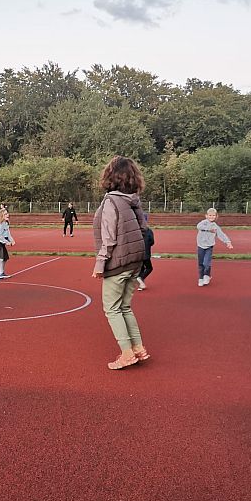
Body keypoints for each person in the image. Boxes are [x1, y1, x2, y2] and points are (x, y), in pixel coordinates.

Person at [92, 155, 149, 370]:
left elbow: (108, 238)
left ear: (110, 176)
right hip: (135, 262)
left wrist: (100, 265)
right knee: (124, 306)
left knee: (112, 309)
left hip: (118, 263)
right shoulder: (133, 201)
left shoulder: (111, 202)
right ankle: (137, 347)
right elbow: (144, 230)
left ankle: (126, 354)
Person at [196, 208, 233, 286]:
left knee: (206, 263)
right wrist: (209, 229)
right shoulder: (203, 223)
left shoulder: (215, 227)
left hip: (209, 246)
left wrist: (228, 242)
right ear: (206, 216)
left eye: (213, 215)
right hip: (200, 246)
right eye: (210, 215)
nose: (211, 217)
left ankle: (207, 276)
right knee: (200, 263)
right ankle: (201, 278)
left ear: (216, 216)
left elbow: (221, 235)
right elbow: (198, 226)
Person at [0, 209, 15, 279]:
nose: (8, 215)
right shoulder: (0, 225)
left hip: (2, 243)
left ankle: (2, 272)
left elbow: (8, 234)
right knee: (0, 258)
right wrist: (7, 242)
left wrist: (12, 240)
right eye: (6, 214)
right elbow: (0, 236)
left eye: (7, 213)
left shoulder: (6, 223)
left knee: (5, 258)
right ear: (2, 216)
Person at [137, 213, 154, 290]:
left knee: (141, 269)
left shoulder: (136, 230)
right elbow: (152, 242)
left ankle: (141, 285)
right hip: (146, 254)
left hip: (137, 253)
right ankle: (140, 278)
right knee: (149, 268)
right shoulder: (148, 230)